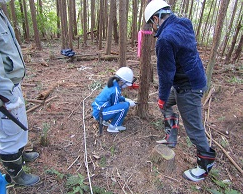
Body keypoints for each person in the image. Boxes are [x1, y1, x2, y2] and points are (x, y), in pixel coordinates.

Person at [144, 0, 216, 182]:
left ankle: (205, 164)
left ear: (156, 18)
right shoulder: (185, 23)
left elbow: (166, 74)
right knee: (166, 104)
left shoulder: (165, 40)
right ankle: (171, 136)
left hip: (189, 87)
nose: (152, 28)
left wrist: (161, 96)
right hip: (189, 80)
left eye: (152, 24)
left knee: (194, 128)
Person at [0, 0, 40, 186]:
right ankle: (15, 174)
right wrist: (4, 93)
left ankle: (20, 155)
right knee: (8, 132)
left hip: (10, 84)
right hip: (0, 91)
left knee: (18, 125)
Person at [92, 67, 136, 133]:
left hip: (98, 110)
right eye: (126, 84)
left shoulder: (113, 84)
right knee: (124, 107)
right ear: (121, 81)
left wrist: (125, 99)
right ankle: (113, 127)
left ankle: (104, 120)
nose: (126, 86)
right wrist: (128, 104)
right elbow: (116, 105)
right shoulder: (115, 90)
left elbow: (115, 98)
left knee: (124, 104)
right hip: (100, 113)